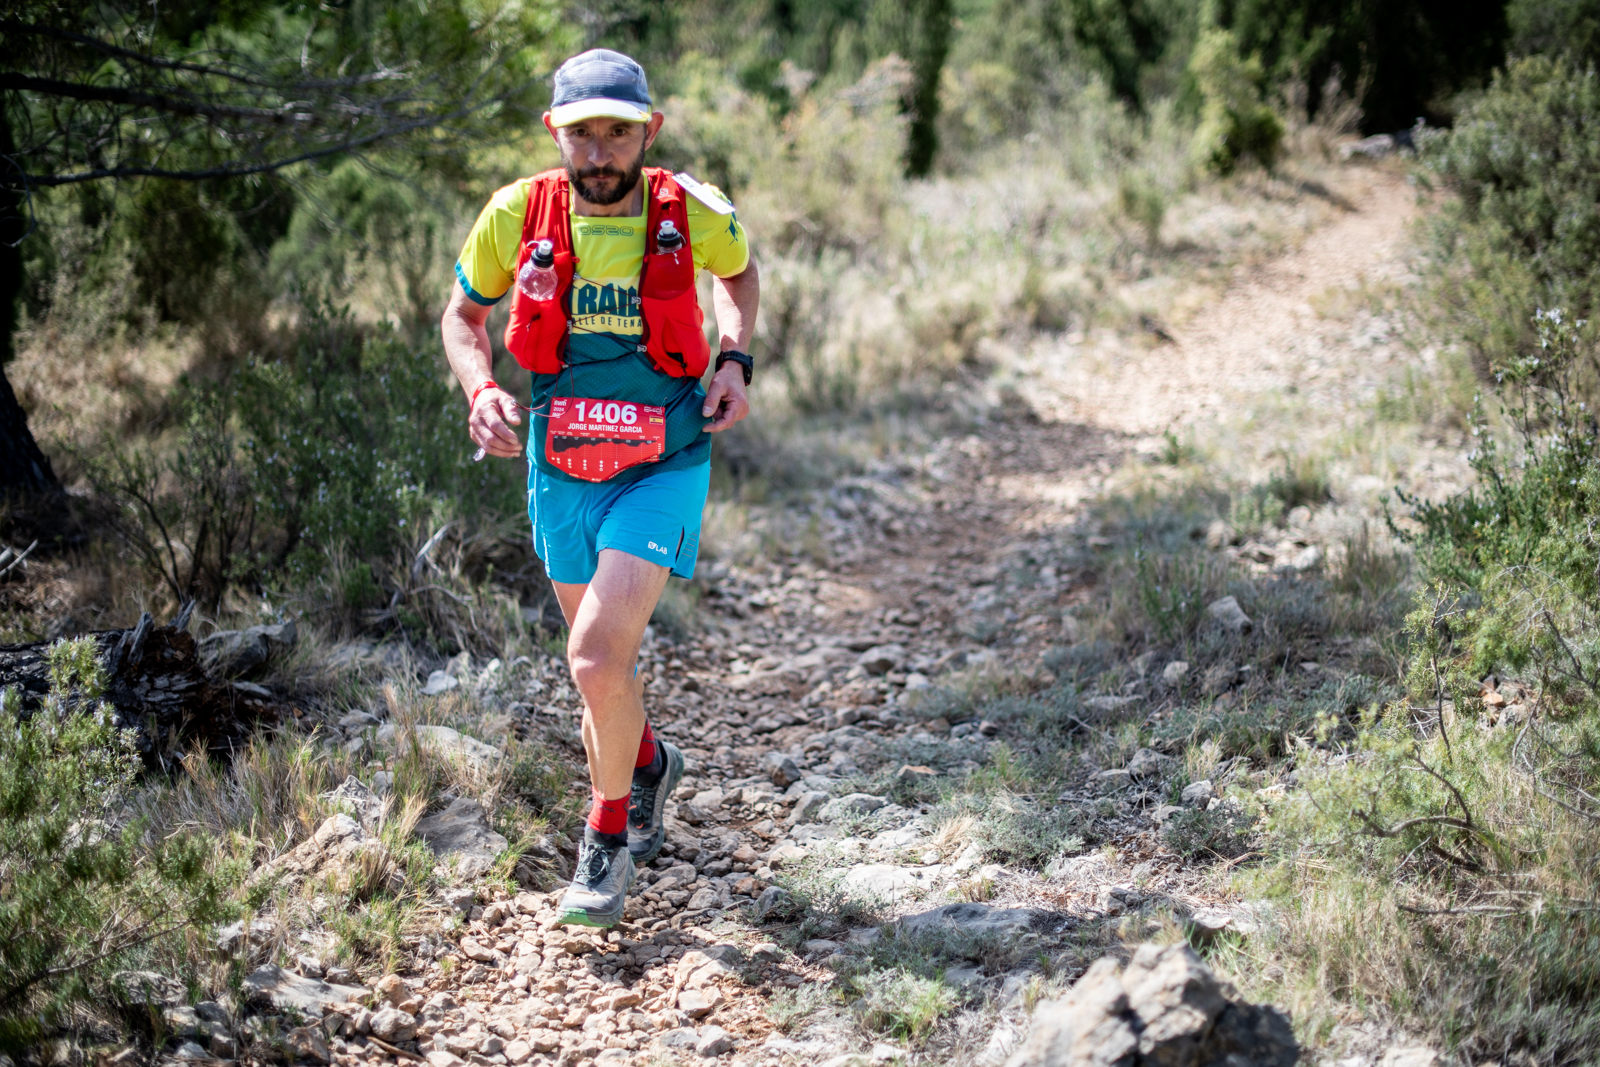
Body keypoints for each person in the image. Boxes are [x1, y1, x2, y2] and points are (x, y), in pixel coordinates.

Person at [440, 47, 759, 927]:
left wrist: (735, 357)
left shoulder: (689, 210)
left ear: (649, 131)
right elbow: (463, 317)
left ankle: (606, 839)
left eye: (619, 132)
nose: (601, 151)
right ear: (556, 132)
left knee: (590, 655)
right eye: (583, 133)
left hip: (664, 460)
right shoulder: (516, 214)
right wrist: (480, 390)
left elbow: (738, 273)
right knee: (601, 672)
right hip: (562, 465)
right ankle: (649, 762)